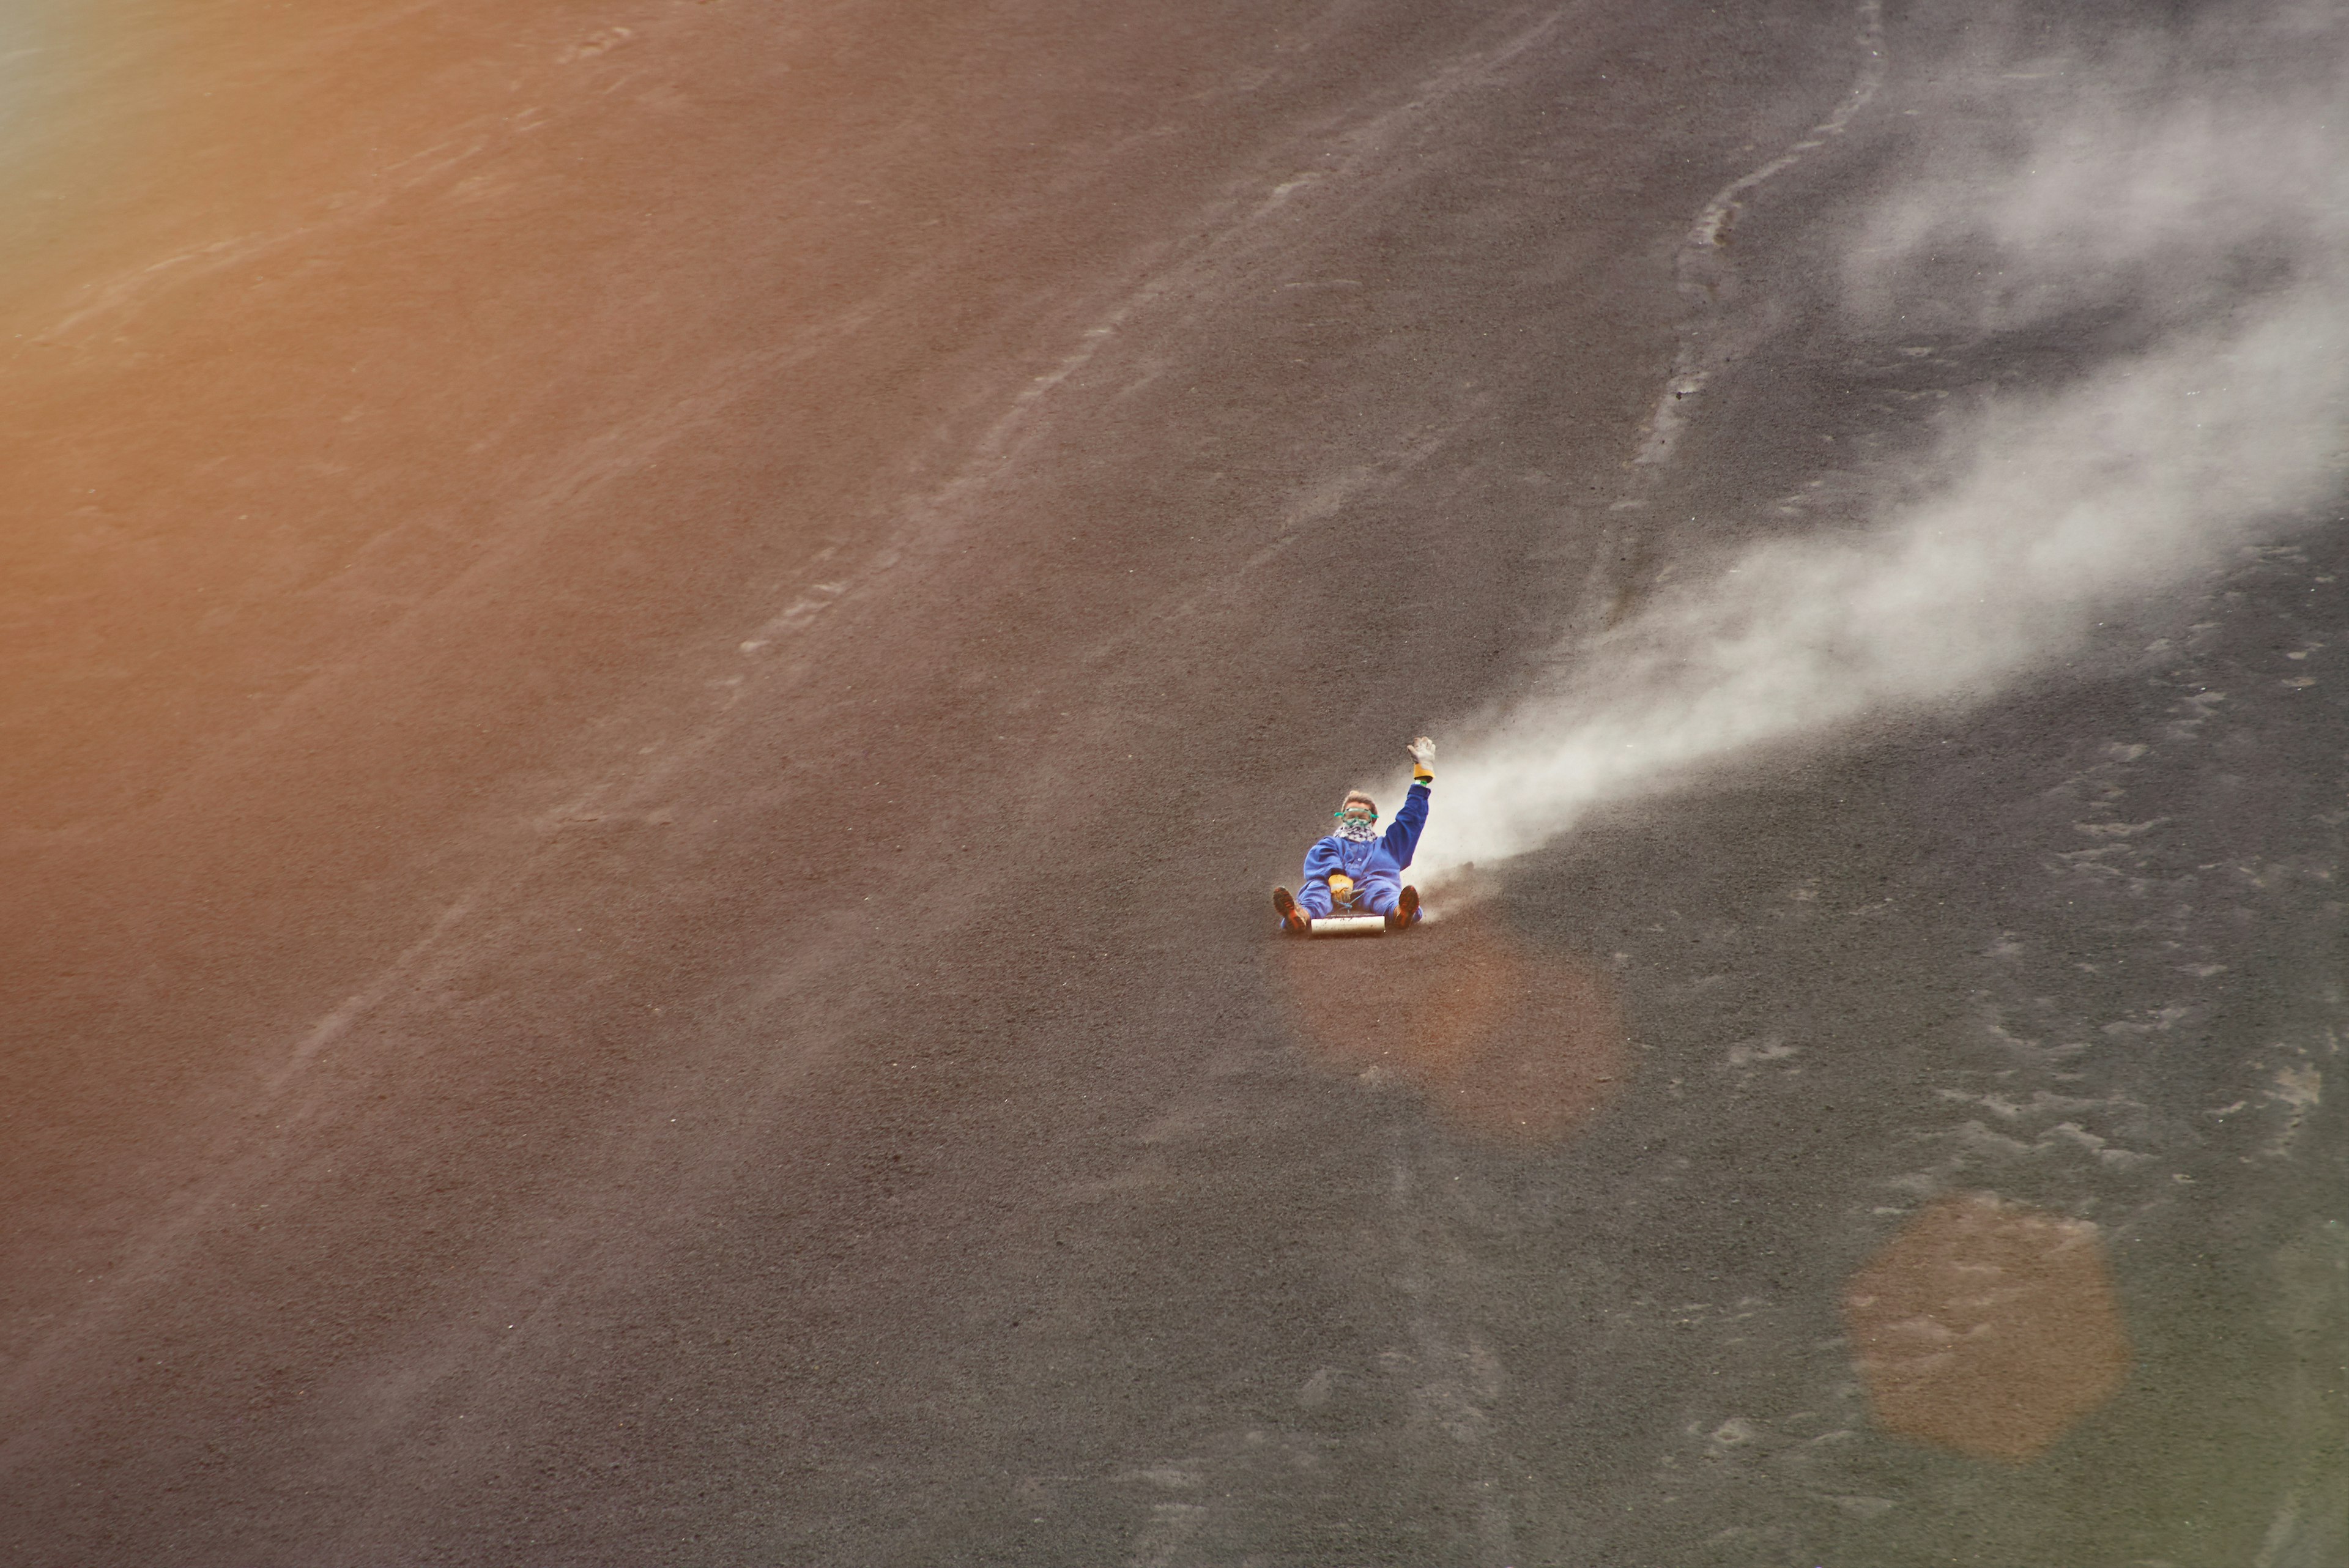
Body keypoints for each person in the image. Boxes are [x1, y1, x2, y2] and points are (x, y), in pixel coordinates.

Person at [1272, 737, 1436, 934]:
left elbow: (1410, 822)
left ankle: (1400, 911)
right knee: (1316, 888)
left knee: (1382, 888)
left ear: (1373, 820)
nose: (1356, 820)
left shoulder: (1388, 847)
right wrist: (1336, 875)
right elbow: (1320, 858)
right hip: (1331, 892)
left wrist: (1422, 780)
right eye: (1351, 815)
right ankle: (1300, 915)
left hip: (1371, 888)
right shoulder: (1331, 843)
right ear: (1342, 818)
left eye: (1363, 815)